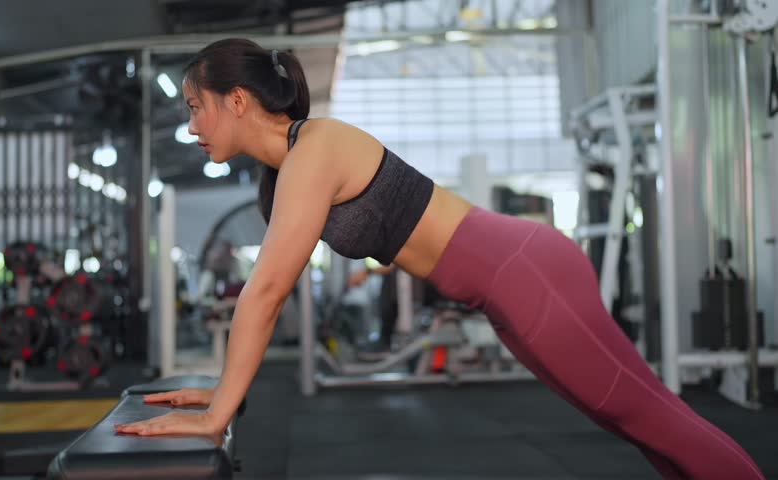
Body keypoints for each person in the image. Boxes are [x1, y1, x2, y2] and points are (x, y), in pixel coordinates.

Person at [114, 39, 764, 479]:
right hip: (507, 286)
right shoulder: (291, 169)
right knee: (637, 422)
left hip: (524, 274)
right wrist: (223, 389)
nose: (192, 126)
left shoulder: (315, 150)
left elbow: (266, 290)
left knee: (648, 415)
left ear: (236, 100)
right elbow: (267, 287)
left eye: (195, 108)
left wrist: (218, 412)